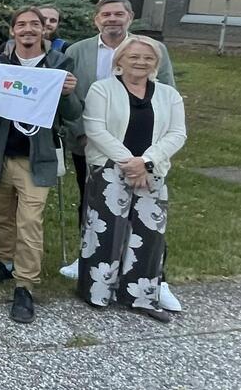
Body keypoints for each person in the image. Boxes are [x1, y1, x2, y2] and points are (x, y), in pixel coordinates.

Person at [62, 0, 178, 301]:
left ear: (130, 17)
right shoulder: (79, 53)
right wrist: (121, 157)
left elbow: (174, 122)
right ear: (96, 19)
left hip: (148, 158)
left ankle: (153, 282)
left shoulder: (155, 57)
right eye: (106, 14)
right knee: (95, 213)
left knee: (148, 225)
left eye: (118, 14)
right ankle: (95, 273)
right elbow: (77, 102)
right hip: (97, 150)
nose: (112, 19)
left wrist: (145, 161)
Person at [0, 7, 81, 324]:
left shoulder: (59, 65)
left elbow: (72, 114)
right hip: (0, 153)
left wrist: (67, 94)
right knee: (1, 215)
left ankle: (25, 284)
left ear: (44, 30)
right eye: (21, 24)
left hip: (36, 158)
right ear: (12, 31)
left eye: (34, 24)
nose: (27, 29)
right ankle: (5, 261)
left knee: (30, 222)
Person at [78, 35, 186, 323]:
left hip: (152, 170)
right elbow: (96, 129)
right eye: (134, 56)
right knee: (105, 232)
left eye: (148, 58)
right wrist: (130, 163)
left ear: (156, 63)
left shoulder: (168, 95)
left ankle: (140, 296)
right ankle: (98, 292)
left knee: (149, 236)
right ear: (120, 60)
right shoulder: (102, 89)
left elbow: (177, 133)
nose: (140, 62)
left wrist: (146, 162)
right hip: (109, 168)